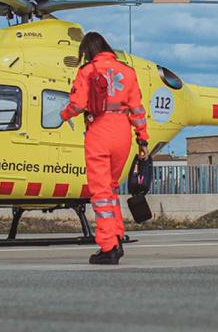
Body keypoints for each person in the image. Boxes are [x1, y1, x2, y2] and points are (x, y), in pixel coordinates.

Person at [60, 32, 149, 265]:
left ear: (88, 51)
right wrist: (143, 139)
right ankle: (117, 237)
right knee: (111, 188)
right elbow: (138, 110)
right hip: (122, 132)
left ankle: (108, 247)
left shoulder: (87, 71)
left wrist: (62, 115)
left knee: (100, 193)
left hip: (99, 130)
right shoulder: (128, 72)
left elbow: (78, 104)